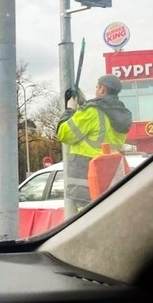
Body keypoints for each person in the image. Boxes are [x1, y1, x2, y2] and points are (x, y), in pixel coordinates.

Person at [57, 74, 132, 212]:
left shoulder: (91, 112)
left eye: (97, 87)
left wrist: (70, 111)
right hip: (110, 181)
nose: (96, 90)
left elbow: (64, 134)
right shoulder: (122, 115)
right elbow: (99, 133)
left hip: (86, 181)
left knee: (84, 223)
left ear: (102, 89)